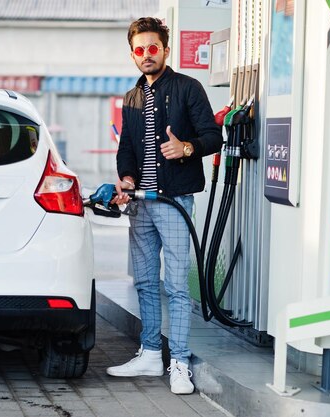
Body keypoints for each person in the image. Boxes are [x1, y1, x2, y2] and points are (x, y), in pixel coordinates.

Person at [106, 17, 223, 395]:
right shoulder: (132, 97)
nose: (146, 55)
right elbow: (127, 149)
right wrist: (126, 179)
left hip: (174, 202)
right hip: (140, 204)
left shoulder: (188, 88)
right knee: (143, 281)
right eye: (139, 50)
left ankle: (180, 362)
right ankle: (152, 352)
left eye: (152, 48)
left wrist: (186, 147)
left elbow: (213, 136)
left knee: (175, 285)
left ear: (165, 50)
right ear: (132, 55)